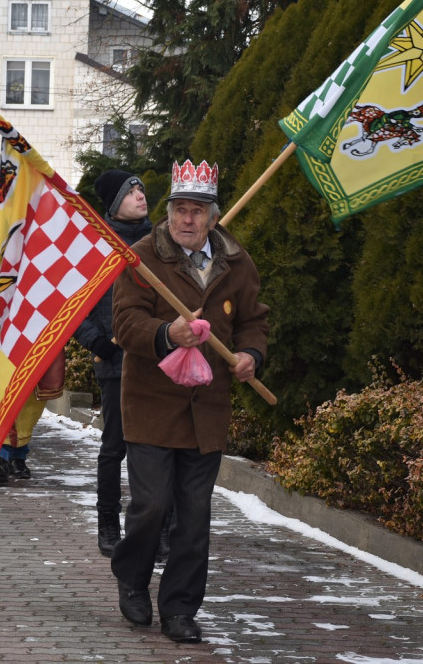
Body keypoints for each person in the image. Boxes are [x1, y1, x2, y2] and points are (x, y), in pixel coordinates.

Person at [110, 159, 269, 643]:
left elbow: (253, 321)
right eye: (179, 209)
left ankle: (179, 608)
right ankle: (133, 579)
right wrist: (167, 334)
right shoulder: (142, 259)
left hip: (208, 410)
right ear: (169, 213)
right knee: (152, 506)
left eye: (197, 211)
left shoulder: (237, 263)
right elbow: (124, 324)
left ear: (213, 216)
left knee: (194, 516)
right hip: (152, 406)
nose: (187, 219)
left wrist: (250, 355)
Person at [73, 170, 152, 557]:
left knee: (156, 446)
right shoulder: (98, 244)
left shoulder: (162, 241)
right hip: (116, 362)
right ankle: (108, 522)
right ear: (114, 201)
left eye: (141, 188)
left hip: (158, 359)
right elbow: (72, 305)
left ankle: (160, 527)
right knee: (115, 447)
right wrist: (98, 342)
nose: (141, 194)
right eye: (131, 190)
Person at [0, 205, 65, 483]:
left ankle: (19, 454)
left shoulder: (47, 226)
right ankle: (1, 454)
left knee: (29, 390)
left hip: (35, 323)